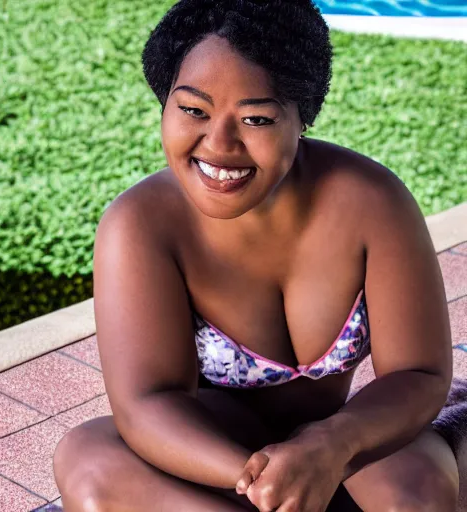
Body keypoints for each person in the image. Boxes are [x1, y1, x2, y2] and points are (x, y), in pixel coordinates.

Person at [53, 1, 466, 510]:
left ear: (302, 115)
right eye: (192, 110)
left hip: (349, 442)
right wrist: (261, 478)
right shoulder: (139, 225)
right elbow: (147, 403)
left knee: (418, 493)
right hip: (210, 454)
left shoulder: (372, 203)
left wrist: (332, 445)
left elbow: (420, 374)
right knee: (87, 459)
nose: (220, 144)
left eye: (256, 118)